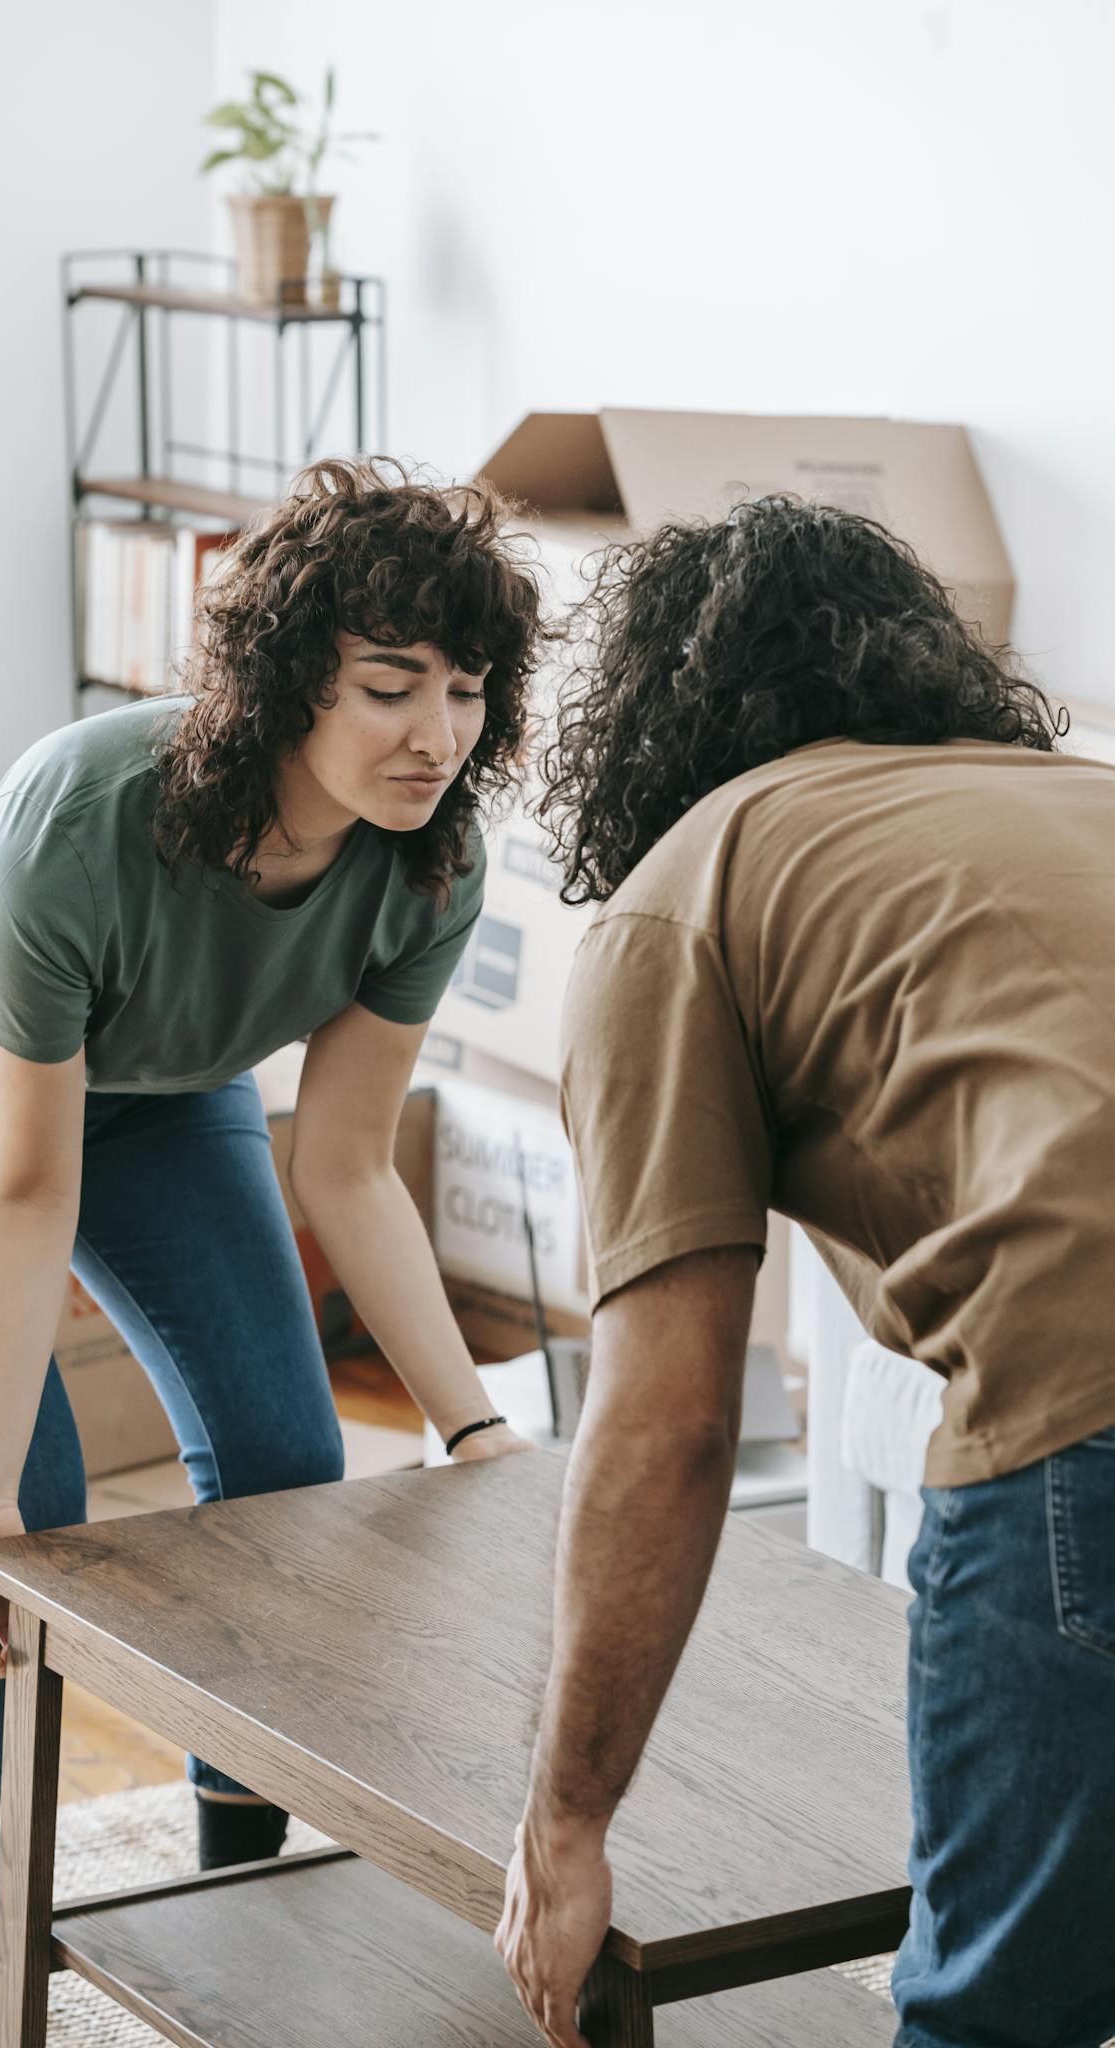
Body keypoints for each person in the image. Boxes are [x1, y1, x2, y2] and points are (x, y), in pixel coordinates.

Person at [0, 458, 539, 2048]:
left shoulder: (430, 865)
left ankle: (231, 1885)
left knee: (283, 1458)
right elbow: (28, 1183)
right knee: (28, 1508)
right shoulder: (87, 813)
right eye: (390, 687)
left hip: (157, 1085)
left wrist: (470, 1427)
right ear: (283, 684)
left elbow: (343, 1164)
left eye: (465, 692)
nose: (435, 735)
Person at [493, 498, 1115, 2048]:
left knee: (996, 2017)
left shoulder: (683, 890)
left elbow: (668, 1420)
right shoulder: (1078, 798)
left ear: (646, 718)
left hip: (1087, 1392)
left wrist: (565, 1819)